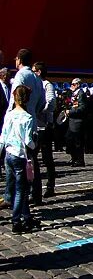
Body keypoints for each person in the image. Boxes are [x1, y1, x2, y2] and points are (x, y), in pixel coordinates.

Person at [0, 86, 37, 233]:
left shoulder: (9, 115)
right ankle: (16, 220)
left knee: (14, 186)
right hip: (19, 155)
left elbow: (3, 136)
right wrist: (35, 144)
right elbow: (28, 141)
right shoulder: (27, 117)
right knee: (21, 190)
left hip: (8, 153)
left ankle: (26, 216)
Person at [32, 62, 56, 199]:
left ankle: (50, 185)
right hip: (35, 125)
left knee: (47, 158)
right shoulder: (35, 85)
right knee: (33, 157)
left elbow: (51, 102)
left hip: (45, 126)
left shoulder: (46, 85)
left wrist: (39, 110)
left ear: (39, 72)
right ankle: (34, 187)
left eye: (34, 71)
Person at [65, 78, 87, 167]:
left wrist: (70, 112)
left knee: (77, 142)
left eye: (73, 84)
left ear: (78, 85)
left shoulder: (81, 94)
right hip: (72, 121)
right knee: (69, 140)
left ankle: (79, 160)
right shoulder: (74, 93)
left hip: (77, 121)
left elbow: (82, 108)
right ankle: (74, 158)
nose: (71, 86)